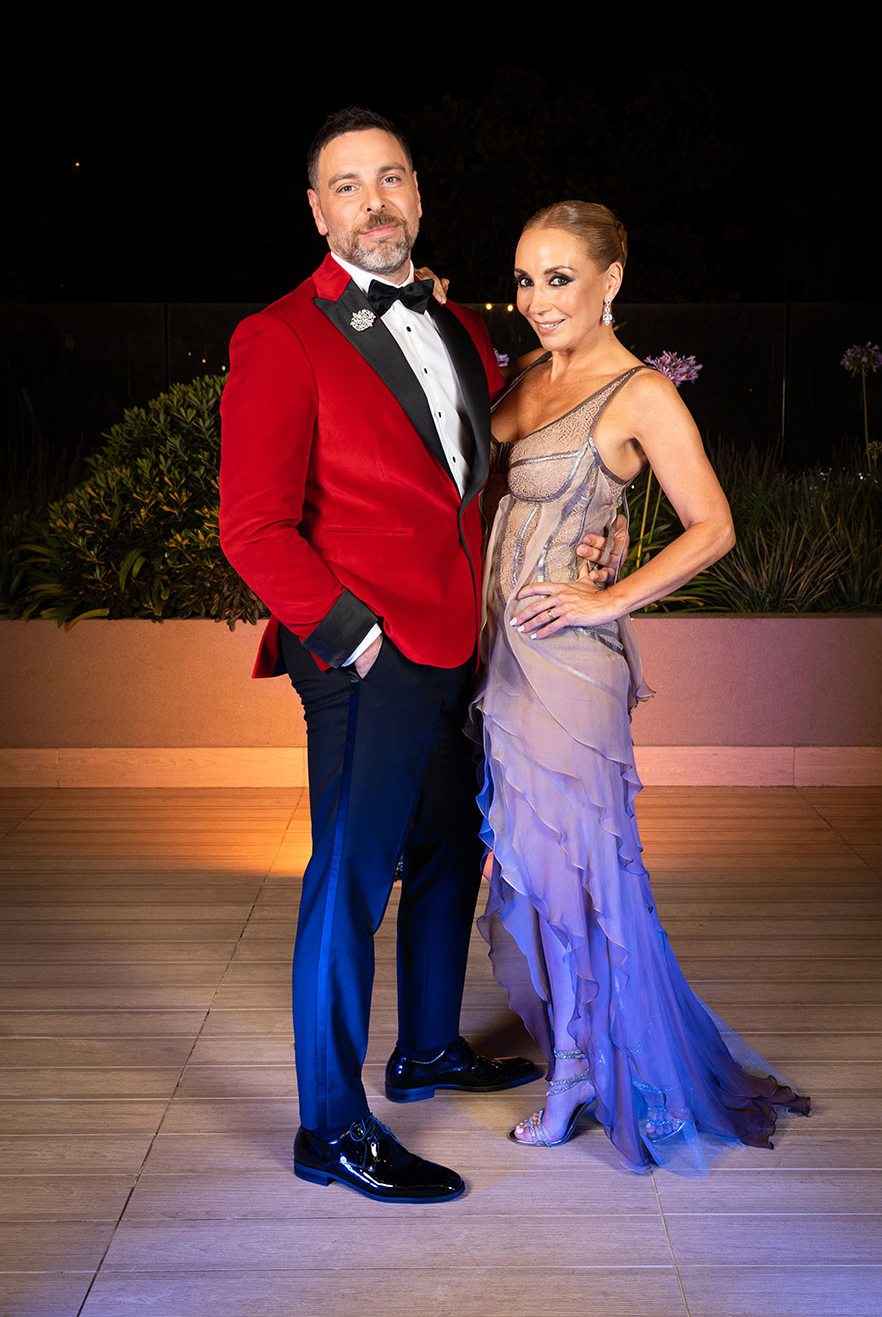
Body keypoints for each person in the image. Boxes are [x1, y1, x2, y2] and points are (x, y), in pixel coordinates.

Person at [218, 110, 617, 1204]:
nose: (375, 201)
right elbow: (250, 526)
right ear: (318, 210)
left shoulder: (456, 327)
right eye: (349, 185)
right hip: (363, 652)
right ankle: (331, 1127)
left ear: (418, 195)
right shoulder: (279, 336)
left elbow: (480, 472)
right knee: (349, 876)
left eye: (391, 178)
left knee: (453, 848)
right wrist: (353, 640)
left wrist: (594, 528)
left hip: (461, 636)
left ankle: (428, 1046)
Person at [472, 200, 810, 1174]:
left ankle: (579, 1071)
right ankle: (575, 1055)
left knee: (574, 881)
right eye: (527, 279)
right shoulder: (533, 372)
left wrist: (603, 594)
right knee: (531, 879)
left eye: (560, 277)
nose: (537, 299)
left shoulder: (640, 394)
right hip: (502, 659)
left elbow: (714, 525)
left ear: (612, 279)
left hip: (567, 669)